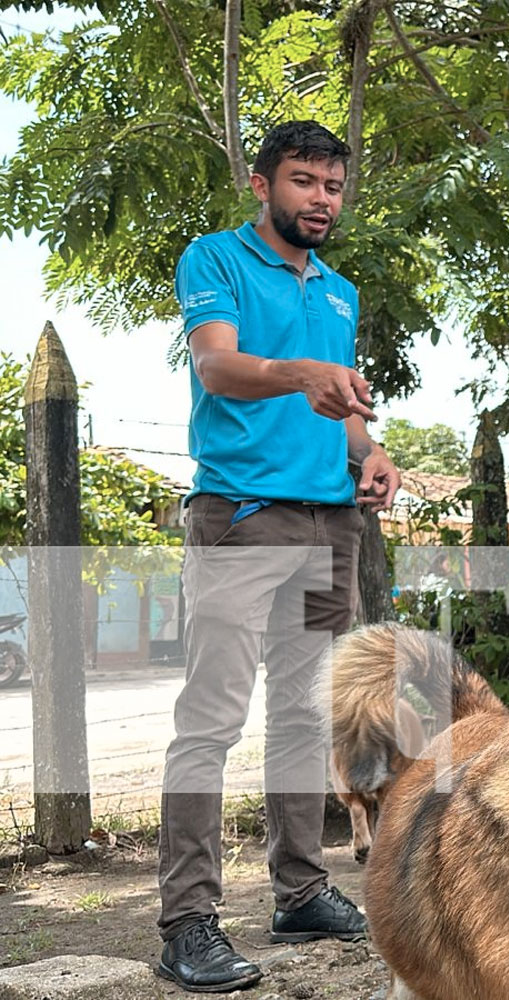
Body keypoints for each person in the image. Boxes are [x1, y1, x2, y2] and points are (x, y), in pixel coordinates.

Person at [157, 121, 401, 993]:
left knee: (303, 718)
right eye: (303, 182)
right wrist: (299, 372)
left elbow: (340, 407)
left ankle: (299, 891)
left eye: (333, 185)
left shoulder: (339, 291)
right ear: (262, 185)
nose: (322, 199)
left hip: (328, 525)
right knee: (212, 719)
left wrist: (367, 453)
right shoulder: (215, 259)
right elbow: (219, 369)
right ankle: (187, 919)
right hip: (241, 517)